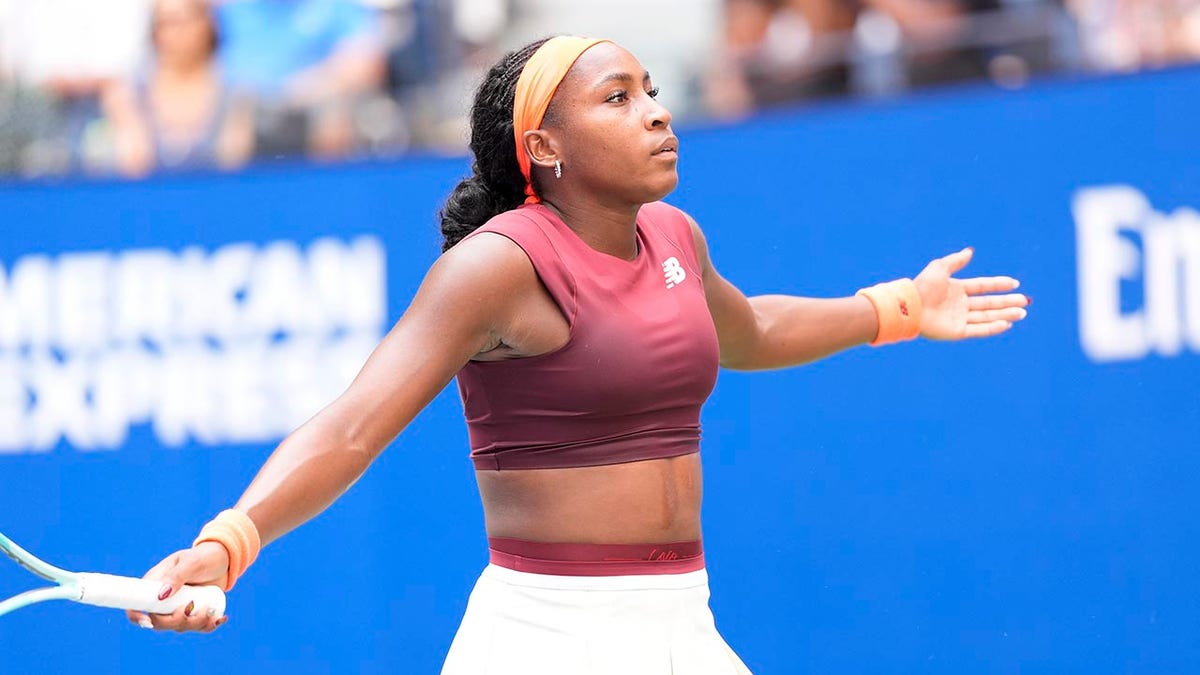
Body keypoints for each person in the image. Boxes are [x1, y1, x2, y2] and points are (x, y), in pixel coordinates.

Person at [127, 35, 1030, 673]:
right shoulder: (494, 267)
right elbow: (355, 426)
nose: (657, 112)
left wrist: (897, 306)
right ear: (544, 147)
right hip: (545, 641)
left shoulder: (674, 235)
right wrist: (232, 540)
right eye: (618, 98)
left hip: (685, 622)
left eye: (651, 89)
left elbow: (747, 329)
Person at [100, 0, 254, 177]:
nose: (172, 33)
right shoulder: (127, 94)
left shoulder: (235, 90)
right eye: (163, 23)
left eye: (179, 21)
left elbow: (233, 167)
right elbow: (133, 168)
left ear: (207, 23)